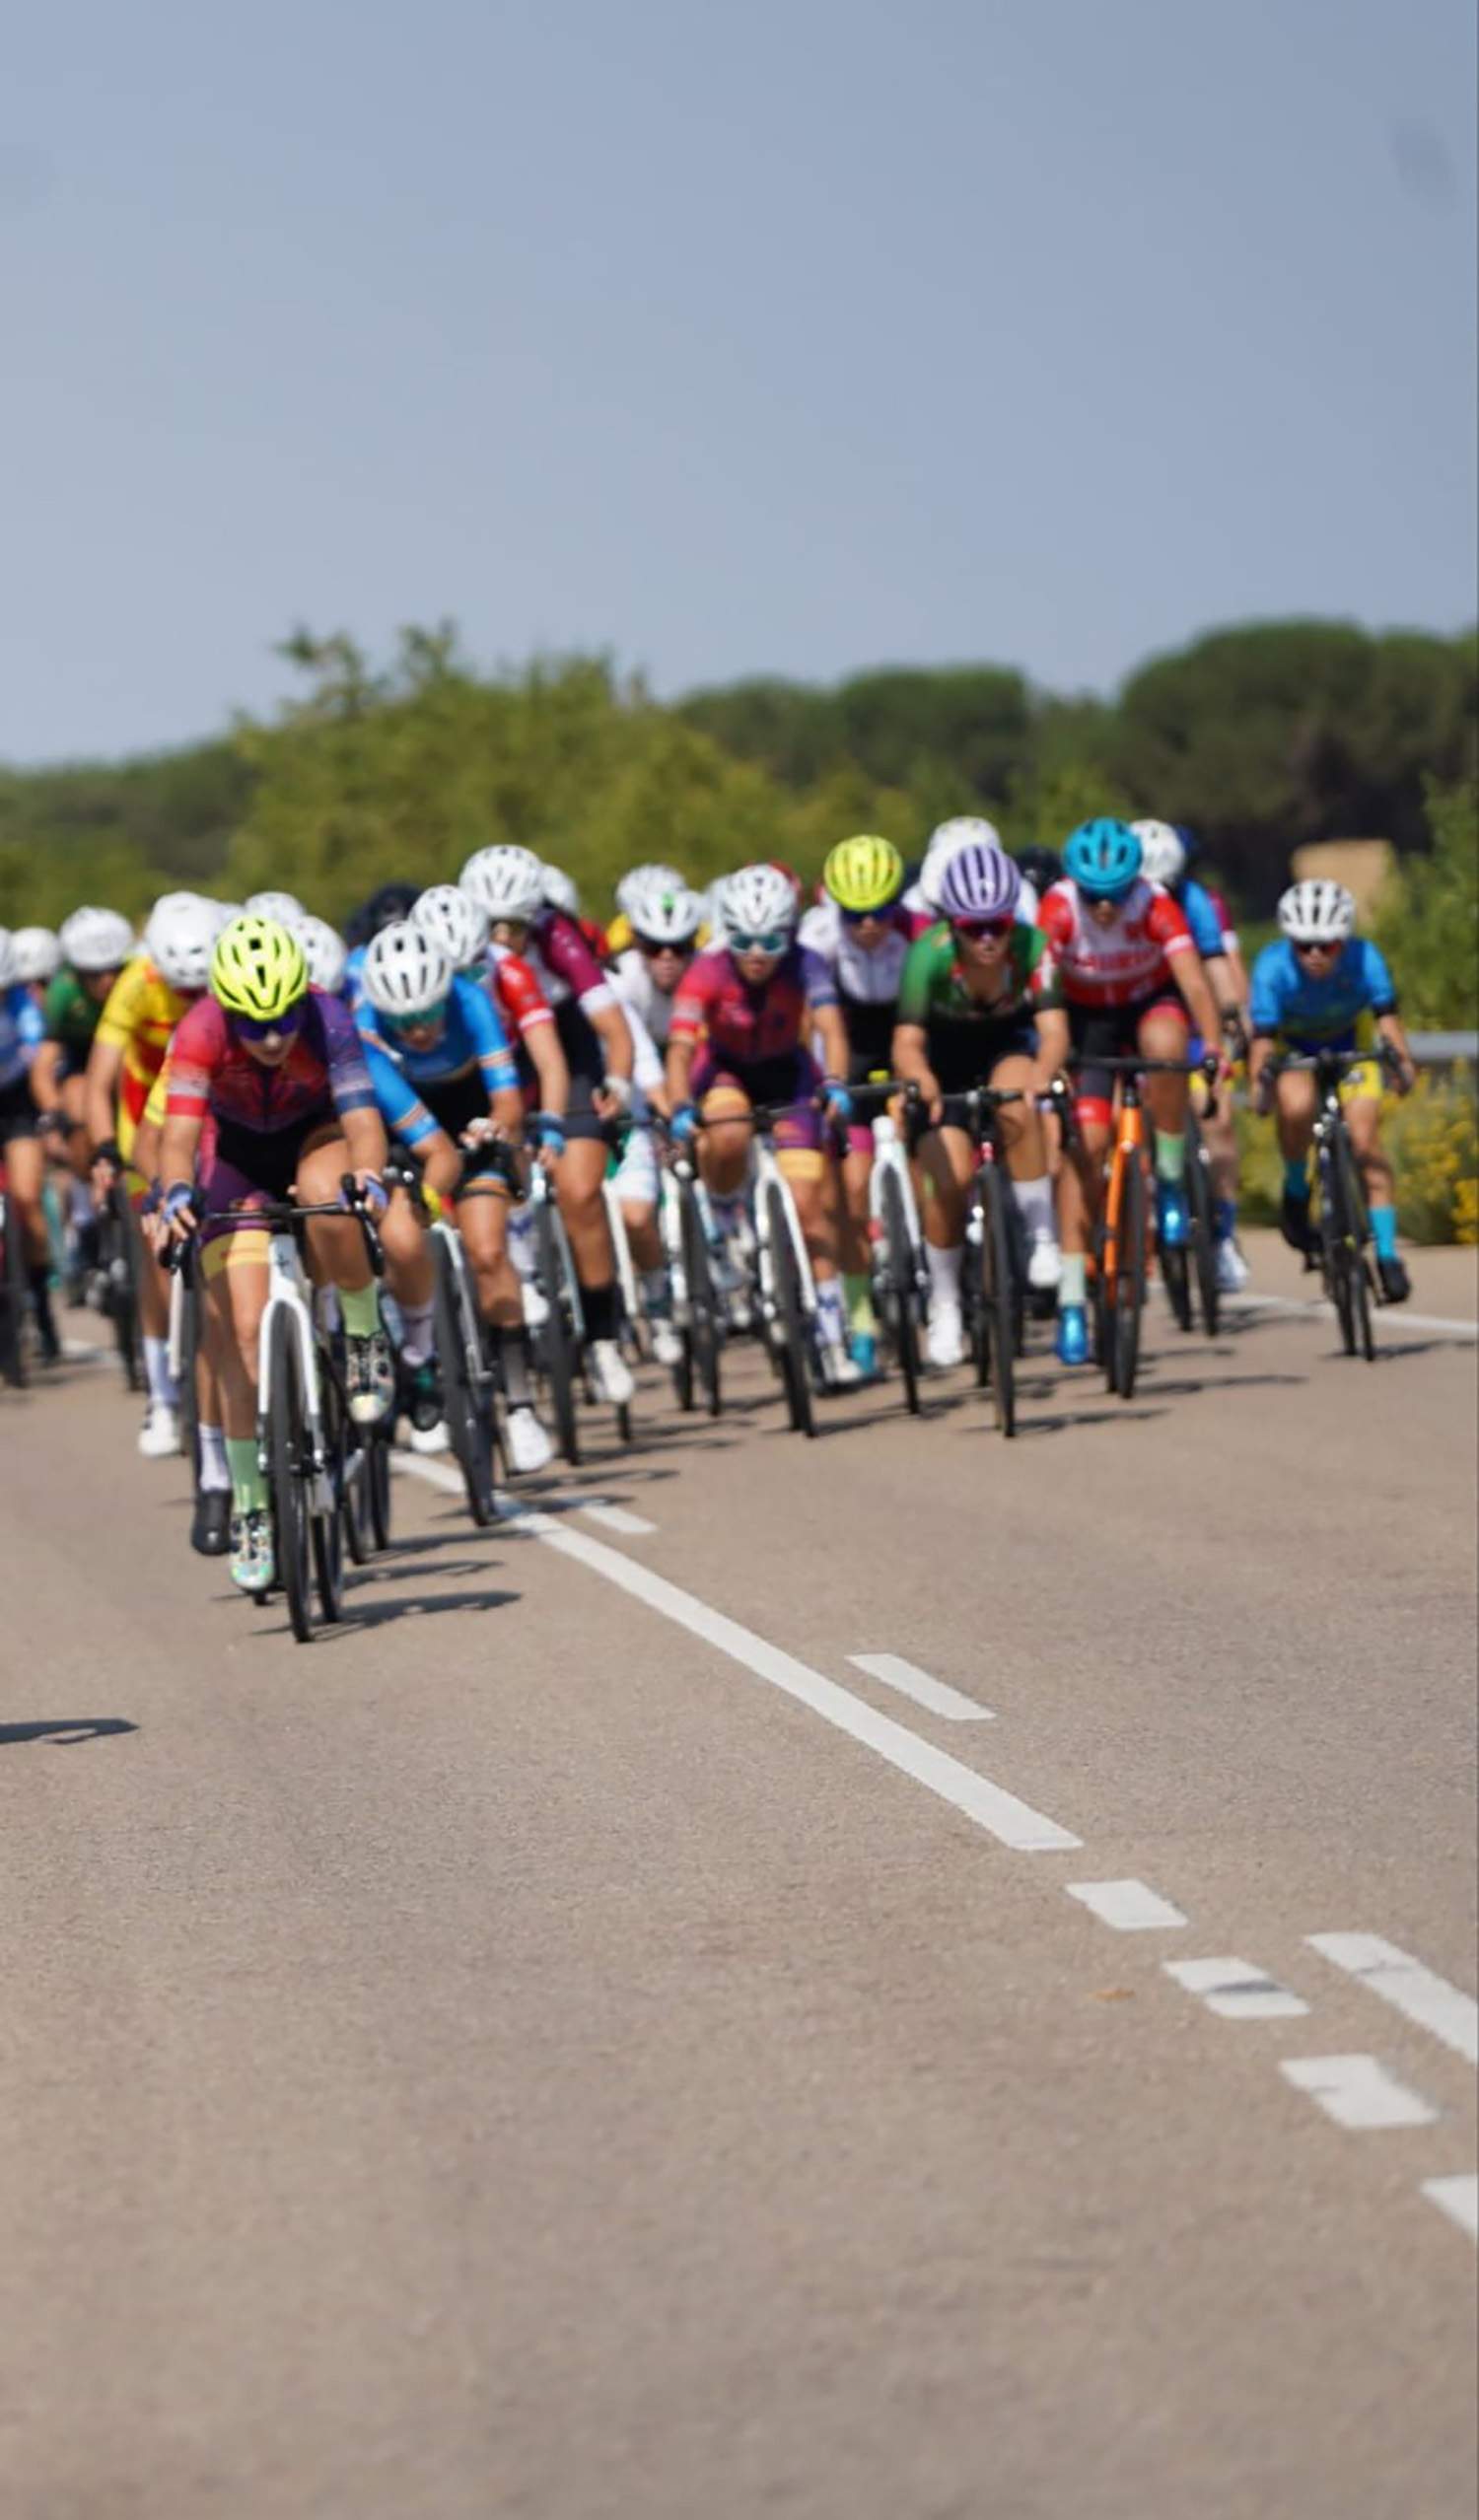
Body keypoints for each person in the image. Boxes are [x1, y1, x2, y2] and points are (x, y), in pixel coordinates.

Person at [156, 915, 393, 1593]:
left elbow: (361, 1121)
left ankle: (362, 1327)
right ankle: (252, 1507)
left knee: (332, 1192)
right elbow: (178, 1135)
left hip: (312, 1137)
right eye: (253, 1025)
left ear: (301, 998)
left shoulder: (327, 1017)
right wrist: (174, 1190)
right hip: (236, 1158)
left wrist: (369, 1178)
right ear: (227, 1009)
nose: (270, 1038)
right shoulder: (200, 1029)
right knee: (243, 1338)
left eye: (281, 1020)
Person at [356, 921, 554, 1471]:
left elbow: (509, 1102)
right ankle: (419, 1354)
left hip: (471, 1121)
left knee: (489, 1251)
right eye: (404, 1021)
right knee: (400, 1238)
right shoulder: (364, 1027)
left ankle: (518, 1404)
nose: (418, 1031)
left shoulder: (472, 1002)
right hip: (404, 1133)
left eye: (427, 1015)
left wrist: (494, 1128)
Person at [1038, 819, 1227, 1367]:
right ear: (1077, 886)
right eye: (1094, 896)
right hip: (1086, 1023)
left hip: (1147, 1004)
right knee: (1085, 1148)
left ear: (1133, 884)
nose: (1104, 908)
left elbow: (1193, 980)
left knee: (1169, 1045)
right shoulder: (1056, 908)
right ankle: (1073, 1301)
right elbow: (1039, 981)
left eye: (1114, 895)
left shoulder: (1154, 902)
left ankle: (1168, 1180)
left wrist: (1213, 1044)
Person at [665, 860, 860, 1385]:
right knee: (726, 1132)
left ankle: (832, 1329)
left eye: (771, 943)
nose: (756, 956)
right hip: (726, 1071)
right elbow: (681, 1050)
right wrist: (681, 1105)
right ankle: (726, 1216)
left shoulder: (808, 964)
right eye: (745, 942)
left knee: (808, 1207)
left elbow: (831, 1029)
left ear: (788, 935)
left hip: (789, 1074)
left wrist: (836, 1081)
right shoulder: (705, 970)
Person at [459, 846, 636, 1404]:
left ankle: (604, 1337)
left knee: (581, 1190)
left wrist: (621, 1082)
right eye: (493, 926)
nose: (505, 937)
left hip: (566, 1049)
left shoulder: (560, 940)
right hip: (499, 1059)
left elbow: (613, 1026)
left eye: (516, 925)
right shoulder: (462, 951)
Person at [892, 838, 1067, 1368]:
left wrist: (1042, 1074)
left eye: (998, 925)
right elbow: (906, 1041)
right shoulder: (928, 956)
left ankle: (1041, 1236)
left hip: (1005, 1047)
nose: (988, 939)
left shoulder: (1035, 948)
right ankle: (945, 1302)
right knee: (948, 1182)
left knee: (1019, 1101)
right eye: (974, 928)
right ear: (952, 924)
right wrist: (919, 1077)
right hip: (941, 1063)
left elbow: (1054, 1030)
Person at [85, 893, 223, 1450]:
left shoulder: (224, 978)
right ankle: (162, 1398)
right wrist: (101, 1150)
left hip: (209, 1108)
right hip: (147, 1114)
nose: (191, 999)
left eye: (199, 990)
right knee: (157, 1258)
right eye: (181, 990)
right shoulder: (137, 982)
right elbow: (98, 1080)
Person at [1246, 879, 1416, 1303]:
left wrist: (1403, 1064)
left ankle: (1389, 1257)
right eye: (1305, 946)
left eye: (1328, 946)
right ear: (1291, 943)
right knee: (1298, 1104)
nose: (1316, 955)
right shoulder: (1272, 968)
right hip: (1294, 1049)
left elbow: (1387, 1021)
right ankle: (1295, 1189)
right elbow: (1263, 1041)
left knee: (1365, 1142)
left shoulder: (1366, 959)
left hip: (1349, 1047)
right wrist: (1259, 1085)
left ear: (1345, 941)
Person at [799, 835, 916, 1374]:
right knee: (850, 1188)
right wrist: (824, 1084)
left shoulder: (916, 931)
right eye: (855, 914)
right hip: (847, 1048)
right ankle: (862, 1314)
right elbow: (811, 1026)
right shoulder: (817, 938)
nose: (868, 925)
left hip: (905, 1039)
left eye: (879, 912)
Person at [1132, 819, 1251, 1292]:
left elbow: (1221, 970)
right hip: (1137, 1019)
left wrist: (1235, 1022)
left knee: (1217, 1119)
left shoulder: (1198, 902)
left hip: (1191, 1014)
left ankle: (1223, 1232)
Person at [0, 927, 54, 1358]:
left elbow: (37, 1054)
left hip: (16, 1102)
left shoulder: (24, 1003)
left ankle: (40, 1298)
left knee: (27, 1195)